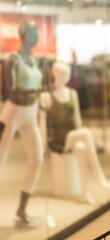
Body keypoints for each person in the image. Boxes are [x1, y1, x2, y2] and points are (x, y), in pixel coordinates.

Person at [40, 62, 110, 204]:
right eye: (62, 73)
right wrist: (42, 147)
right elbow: (42, 122)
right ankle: (98, 175)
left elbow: (77, 119)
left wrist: (83, 138)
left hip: (72, 136)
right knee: (85, 133)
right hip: (58, 139)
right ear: (55, 75)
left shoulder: (72, 94)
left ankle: (85, 193)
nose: (66, 77)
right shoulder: (47, 96)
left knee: (81, 146)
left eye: (67, 73)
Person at [0, 21, 44, 223]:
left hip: (30, 114)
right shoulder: (13, 60)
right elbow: (11, 91)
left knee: (37, 159)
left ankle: (21, 208)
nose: (36, 37)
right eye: (34, 33)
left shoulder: (34, 60)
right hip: (12, 114)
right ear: (24, 35)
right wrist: (36, 93)